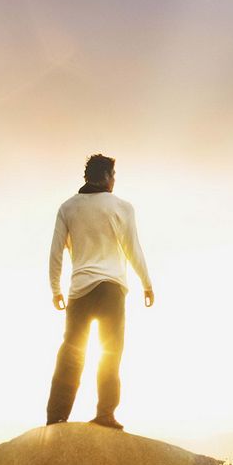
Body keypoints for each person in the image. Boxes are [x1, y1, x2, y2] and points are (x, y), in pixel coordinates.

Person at [46, 153, 154, 430]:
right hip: (111, 289)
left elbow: (56, 251)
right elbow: (133, 248)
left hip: (79, 290)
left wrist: (55, 288)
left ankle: (57, 418)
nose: (114, 181)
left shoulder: (68, 208)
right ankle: (105, 413)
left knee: (71, 353)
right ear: (106, 176)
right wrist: (147, 283)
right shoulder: (122, 207)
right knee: (111, 351)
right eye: (113, 176)